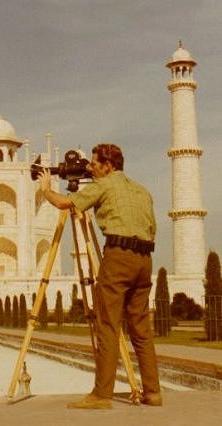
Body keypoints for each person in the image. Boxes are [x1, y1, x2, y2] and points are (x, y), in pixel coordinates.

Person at [38, 143, 161, 409]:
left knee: (107, 325)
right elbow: (153, 228)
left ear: (108, 166)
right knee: (141, 328)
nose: (89, 167)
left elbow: (63, 203)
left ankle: (102, 395)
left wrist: (46, 188)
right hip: (144, 260)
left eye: (94, 163)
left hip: (118, 258)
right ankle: (153, 392)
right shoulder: (142, 190)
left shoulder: (103, 185)